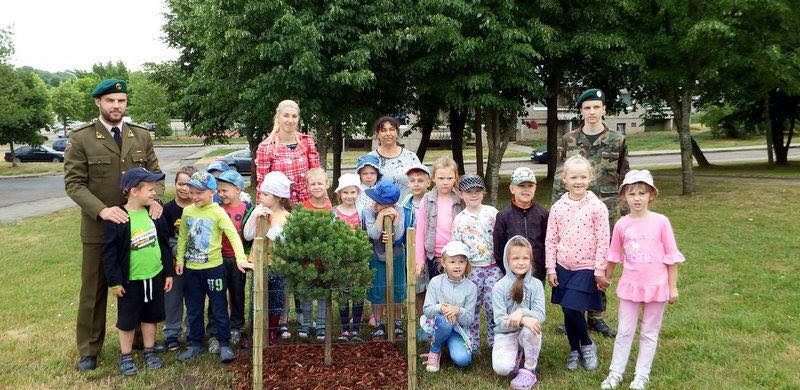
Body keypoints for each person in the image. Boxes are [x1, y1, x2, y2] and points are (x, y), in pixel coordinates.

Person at [64, 78, 162, 372]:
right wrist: (103, 211)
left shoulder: (141, 136)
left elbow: (156, 173)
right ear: (99, 103)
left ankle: (138, 342)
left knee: (138, 284)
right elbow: (74, 184)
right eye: (110, 101)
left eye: (121, 100)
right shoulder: (82, 137)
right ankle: (89, 349)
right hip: (100, 229)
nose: (116, 106)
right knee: (94, 290)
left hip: (139, 228)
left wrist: (156, 200)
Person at [551, 88, 630, 338]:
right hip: (573, 212)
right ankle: (574, 312)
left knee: (600, 262)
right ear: (581, 111)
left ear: (604, 109)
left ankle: (596, 315)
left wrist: (626, 213)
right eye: (587, 108)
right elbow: (559, 175)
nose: (592, 112)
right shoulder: (569, 140)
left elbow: (624, 177)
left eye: (597, 107)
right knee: (574, 261)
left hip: (604, 211)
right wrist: (557, 207)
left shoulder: (618, 140)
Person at [600, 170, 684, 390]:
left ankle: (641, 375)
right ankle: (615, 373)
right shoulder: (621, 225)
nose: (637, 198)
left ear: (651, 196)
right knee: (625, 331)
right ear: (624, 197)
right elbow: (614, 255)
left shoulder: (661, 222)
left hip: (657, 287)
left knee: (649, 332)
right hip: (630, 287)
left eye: (642, 193)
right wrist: (606, 277)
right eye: (632, 193)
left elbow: (671, 257)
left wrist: (672, 287)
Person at [101, 168, 173, 375]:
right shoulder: (118, 218)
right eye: (150, 189)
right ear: (133, 191)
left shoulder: (155, 214)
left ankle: (150, 351)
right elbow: (109, 254)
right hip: (130, 281)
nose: (154, 193)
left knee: (151, 317)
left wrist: (167, 273)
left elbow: (165, 244)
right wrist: (115, 281)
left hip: (154, 276)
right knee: (127, 320)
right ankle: (126, 356)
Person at [175, 172, 250, 363]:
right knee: (194, 308)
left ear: (211, 192)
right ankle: (195, 344)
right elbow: (183, 236)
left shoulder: (218, 212)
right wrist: (180, 260)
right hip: (192, 270)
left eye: (199, 193)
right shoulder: (188, 212)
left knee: (218, 307)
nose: (194, 197)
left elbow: (232, 235)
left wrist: (241, 259)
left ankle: (224, 343)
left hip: (214, 269)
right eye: (192, 192)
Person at [546, 155, 610, 371]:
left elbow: (603, 240)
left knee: (574, 308)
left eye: (583, 177)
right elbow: (551, 239)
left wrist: (600, 270)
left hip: (586, 266)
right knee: (568, 310)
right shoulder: (557, 207)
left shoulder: (597, 207)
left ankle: (588, 344)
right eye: (574, 177)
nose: (578, 181)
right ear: (565, 179)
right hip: (563, 266)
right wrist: (550, 268)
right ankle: (574, 349)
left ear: (590, 178)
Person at [243, 171, 293, 345]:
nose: (261, 196)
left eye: (265, 194)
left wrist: (271, 221)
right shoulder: (258, 211)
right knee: (256, 298)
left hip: (277, 265)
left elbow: (280, 241)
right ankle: (256, 332)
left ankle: (272, 331)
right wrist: (254, 217)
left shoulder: (286, 217)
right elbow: (248, 235)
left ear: (278, 197)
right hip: (257, 264)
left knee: (275, 299)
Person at [451, 174, 499, 354]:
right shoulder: (459, 219)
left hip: (493, 267)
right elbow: (456, 246)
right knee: (472, 305)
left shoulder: (492, 213)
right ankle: (472, 341)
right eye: (469, 192)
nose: (473, 195)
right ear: (461, 194)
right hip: (472, 269)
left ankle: (495, 341)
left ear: (483, 193)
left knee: (493, 304)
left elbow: (500, 237)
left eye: (477, 191)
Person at [491, 236, 545, 390]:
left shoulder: (536, 285)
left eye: (525, 258)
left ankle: (529, 369)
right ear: (507, 260)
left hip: (528, 332)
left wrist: (521, 313)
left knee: (532, 327)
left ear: (531, 260)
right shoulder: (499, 287)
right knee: (502, 369)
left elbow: (540, 315)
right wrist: (522, 320)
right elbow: (500, 321)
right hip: (506, 333)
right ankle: (516, 355)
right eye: (515, 258)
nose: (521, 262)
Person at [211, 170, 253, 350]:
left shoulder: (247, 209)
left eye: (224, 190)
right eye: (218, 191)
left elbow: (250, 234)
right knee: (216, 294)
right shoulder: (216, 209)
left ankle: (236, 326)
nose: (221, 194)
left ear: (237, 190)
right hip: (218, 259)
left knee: (237, 293)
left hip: (237, 260)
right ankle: (215, 329)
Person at [422, 241, 477, 372]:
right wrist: (442, 308)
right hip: (438, 324)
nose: (457, 266)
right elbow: (427, 310)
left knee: (463, 360)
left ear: (466, 263)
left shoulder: (471, 287)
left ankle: (447, 343)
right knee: (444, 320)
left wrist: (457, 310)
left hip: (458, 329)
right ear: (444, 263)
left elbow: (469, 319)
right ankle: (435, 349)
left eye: (461, 262)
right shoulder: (435, 282)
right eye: (452, 262)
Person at [255, 100, 320, 206]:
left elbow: (317, 176)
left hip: (307, 204)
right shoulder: (266, 147)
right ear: (278, 118)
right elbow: (263, 184)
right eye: (286, 116)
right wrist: (261, 209)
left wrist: (323, 202)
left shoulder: (307, 141)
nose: (290, 120)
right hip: (281, 206)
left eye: (294, 116)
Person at [363, 180, 406, 340]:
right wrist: (381, 216)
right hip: (376, 255)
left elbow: (400, 234)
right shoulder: (368, 210)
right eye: (376, 201)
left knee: (397, 290)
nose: (376, 204)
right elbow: (373, 234)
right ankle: (379, 323)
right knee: (377, 290)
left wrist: (394, 224)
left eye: (380, 203)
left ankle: (397, 322)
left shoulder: (400, 209)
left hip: (396, 255)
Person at [160, 166, 197, 352]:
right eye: (180, 183)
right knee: (172, 299)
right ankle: (172, 333)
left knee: (193, 298)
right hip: (174, 263)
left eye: (189, 184)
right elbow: (165, 239)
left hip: (196, 262)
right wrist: (175, 256)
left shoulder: (200, 208)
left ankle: (193, 332)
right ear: (174, 184)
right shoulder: (167, 210)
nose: (184, 188)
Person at [493, 167, 549, 281]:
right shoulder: (503, 216)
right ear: (512, 188)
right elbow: (499, 250)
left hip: (537, 273)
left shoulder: (543, 214)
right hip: (512, 274)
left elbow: (547, 244)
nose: (526, 189)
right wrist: (507, 271)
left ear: (535, 188)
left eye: (530, 186)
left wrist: (544, 269)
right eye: (521, 186)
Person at [414, 156, 464, 282]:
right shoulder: (427, 200)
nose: (445, 182)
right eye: (441, 178)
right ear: (433, 178)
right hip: (434, 256)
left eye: (449, 178)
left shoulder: (461, 200)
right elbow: (420, 231)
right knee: (437, 291)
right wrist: (419, 260)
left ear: (455, 178)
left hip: (457, 255)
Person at [298, 167, 332, 341]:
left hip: (324, 261)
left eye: (320, 183)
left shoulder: (330, 208)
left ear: (327, 184)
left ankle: (320, 325)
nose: (317, 187)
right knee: (306, 293)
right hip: (307, 261)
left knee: (322, 294)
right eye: (313, 184)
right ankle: (305, 324)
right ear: (307, 186)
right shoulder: (302, 208)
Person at [333, 173, 365, 342]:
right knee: (344, 294)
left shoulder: (362, 213)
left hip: (359, 260)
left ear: (358, 193)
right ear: (339, 194)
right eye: (345, 193)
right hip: (341, 260)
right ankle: (345, 328)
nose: (349, 196)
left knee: (358, 294)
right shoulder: (335, 213)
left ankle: (356, 329)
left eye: (352, 192)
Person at [400, 163, 431, 330]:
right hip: (413, 253)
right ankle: (420, 324)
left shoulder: (433, 201)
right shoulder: (405, 205)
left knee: (432, 288)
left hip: (432, 252)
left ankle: (435, 323)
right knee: (418, 289)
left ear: (428, 183)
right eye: (412, 181)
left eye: (420, 180)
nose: (416, 184)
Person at [367, 116, 422, 199]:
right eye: (383, 130)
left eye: (392, 129)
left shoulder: (411, 157)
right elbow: (362, 188)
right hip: (380, 209)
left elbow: (421, 184)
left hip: (407, 209)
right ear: (377, 134)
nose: (388, 134)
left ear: (397, 132)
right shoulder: (370, 159)